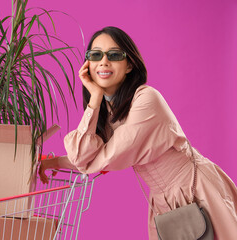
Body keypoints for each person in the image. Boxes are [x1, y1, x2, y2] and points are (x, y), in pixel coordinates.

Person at [38, 26, 237, 239]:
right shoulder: (109, 111)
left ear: (129, 65)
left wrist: (82, 163)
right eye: (95, 55)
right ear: (88, 64)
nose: (103, 61)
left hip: (195, 189)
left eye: (114, 55)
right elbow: (86, 157)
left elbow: (105, 157)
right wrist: (94, 101)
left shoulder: (146, 99)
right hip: (162, 201)